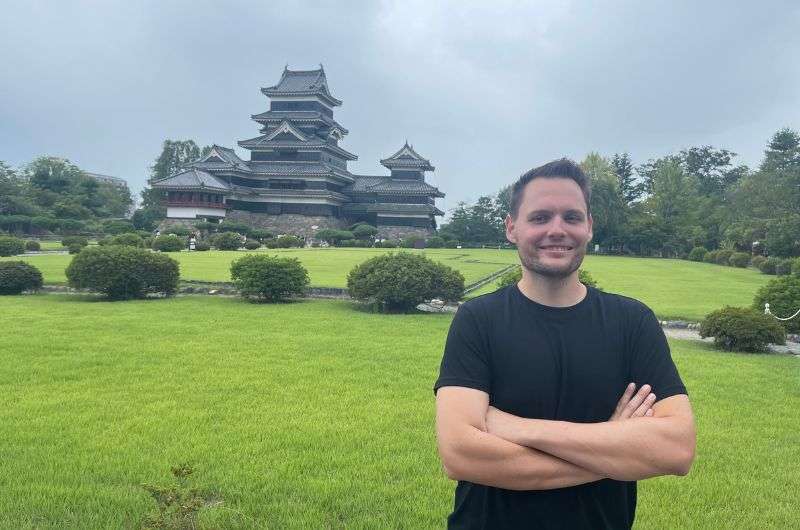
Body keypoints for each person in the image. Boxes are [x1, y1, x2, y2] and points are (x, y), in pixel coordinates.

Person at [434, 159, 695, 529]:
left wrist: (519, 428)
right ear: (512, 228)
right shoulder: (478, 320)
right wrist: (614, 445)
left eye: (571, 217)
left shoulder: (632, 322)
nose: (557, 230)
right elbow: (460, 456)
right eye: (540, 217)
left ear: (588, 227)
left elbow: (676, 450)